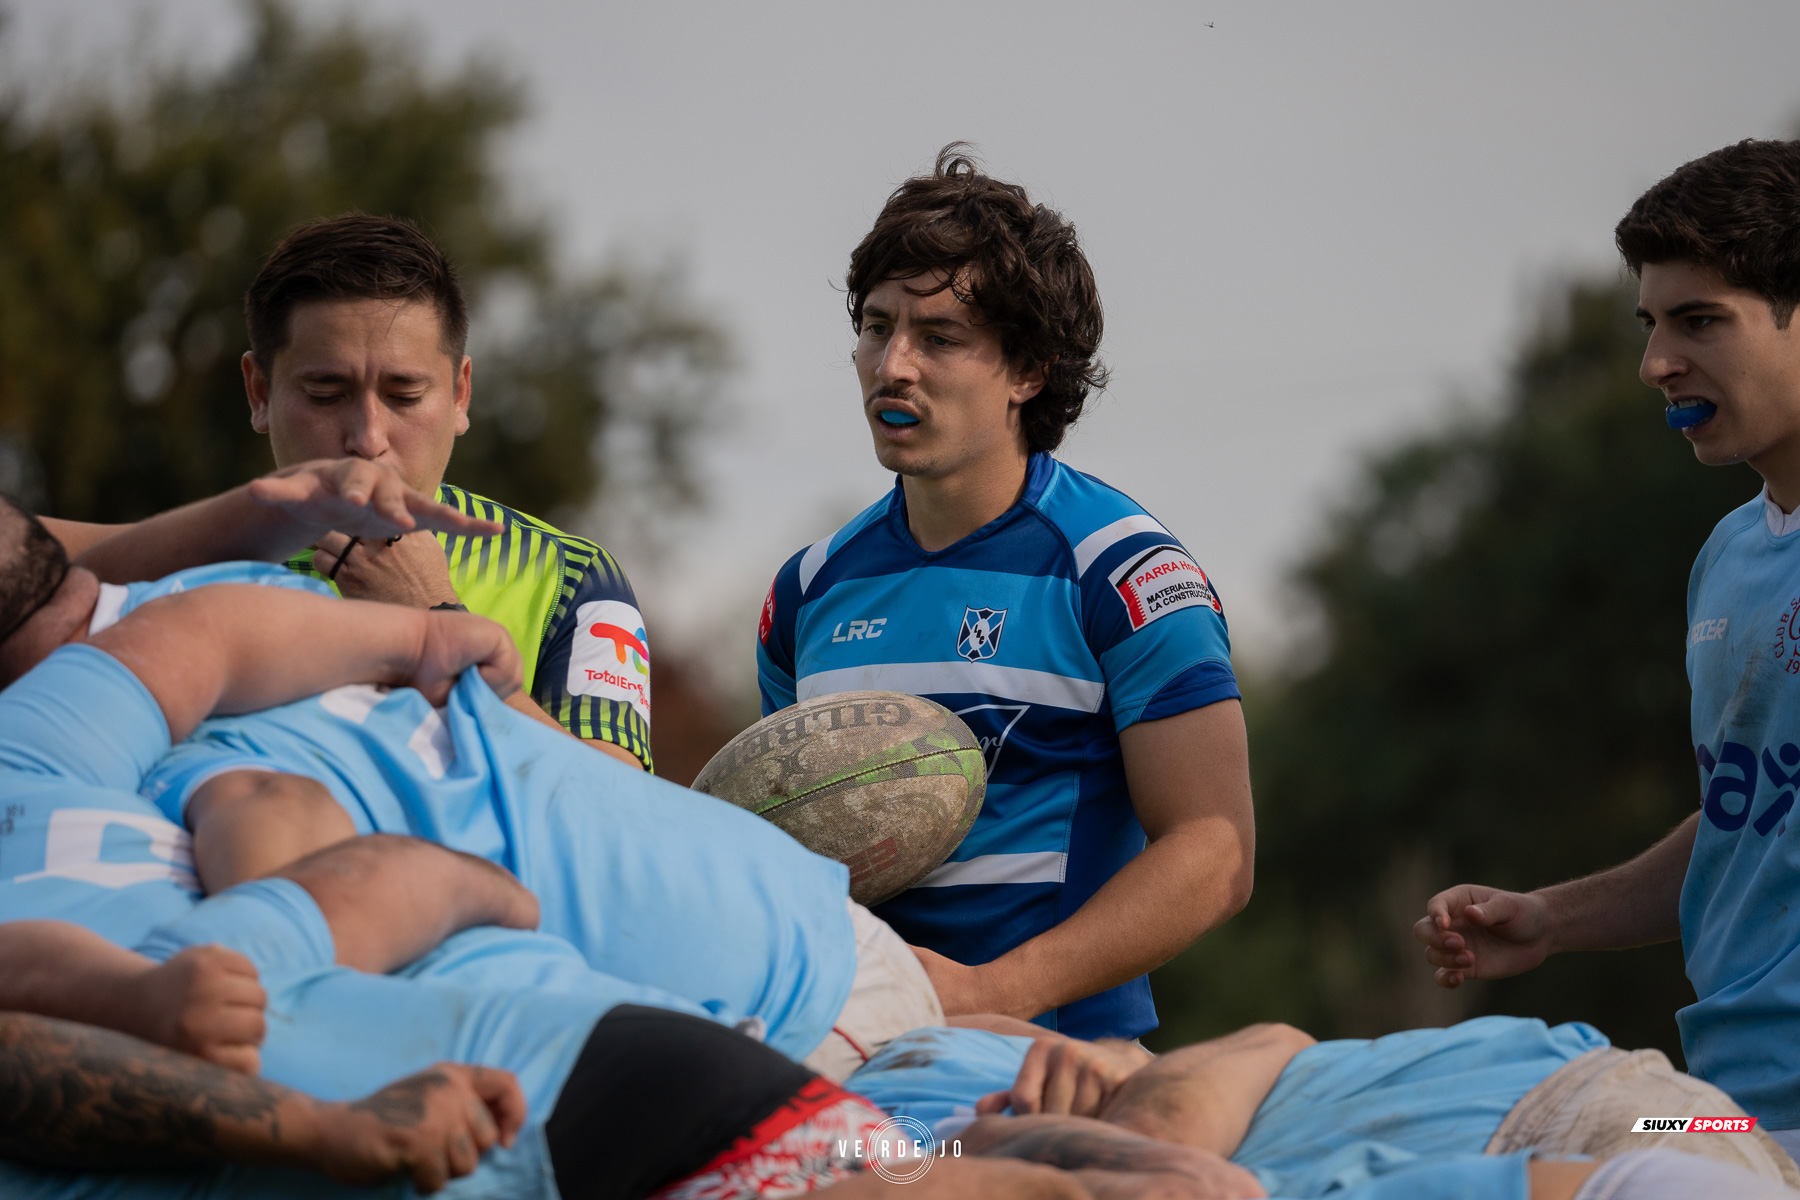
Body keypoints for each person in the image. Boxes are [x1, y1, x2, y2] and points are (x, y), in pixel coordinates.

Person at [756, 146, 1254, 1039]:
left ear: (1027, 371)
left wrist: (991, 995)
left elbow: (1215, 850)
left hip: (1057, 1066)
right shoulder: (806, 590)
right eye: (876, 327)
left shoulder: (1126, 573)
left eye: (939, 338)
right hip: (849, 1060)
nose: (892, 365)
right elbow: (789, 849)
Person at [1412, 139, 1800, 1157]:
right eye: (1652, 324)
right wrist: (1550, 916)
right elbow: (1744, 825)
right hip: (1730, 1108)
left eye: (1700, 320)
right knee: (1512, 1131)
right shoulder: (1728, 556)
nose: (1656, 363)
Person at [47, 214, 654, 770]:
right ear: (259, 392)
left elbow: (624, 821)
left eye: (404, 395)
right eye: (325, 393)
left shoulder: (568, 577)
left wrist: (436, 619)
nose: (367, 438)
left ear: (461, 394)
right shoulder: (179, 560)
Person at [845, 1013, 1800, 1198]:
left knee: (1713, 1137)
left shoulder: (1007, 1062)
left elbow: (1266, 1045)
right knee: (1729, 1134)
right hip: (1637, 1114)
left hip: (1569, 1114)